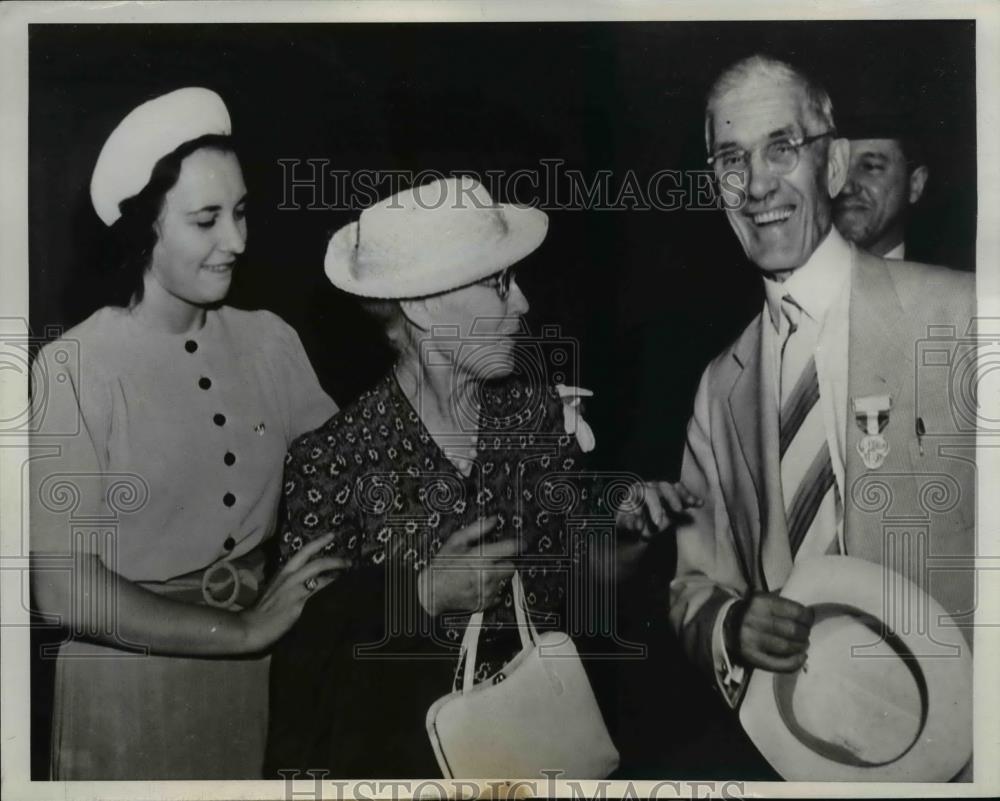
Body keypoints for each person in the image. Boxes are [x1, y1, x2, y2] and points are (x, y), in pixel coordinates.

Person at [265, 176, 698, 778]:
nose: (520, 302)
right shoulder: (334, 459)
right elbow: (305, 655)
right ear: (419, 304)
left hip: (538, 750)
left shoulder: (539, 419)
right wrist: (420, 596)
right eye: (498, 284)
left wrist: (631, 533)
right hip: (399, 765)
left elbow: (581, 587)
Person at [29, 87, 347, 779]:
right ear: (145, 228)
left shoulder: (271, 340)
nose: (236, 240)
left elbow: (358, 472)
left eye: (239, 213)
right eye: (206, 220)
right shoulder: (73, 366)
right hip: (126, 693)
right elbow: (60, 588)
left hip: (255, 686)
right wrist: (242, 629)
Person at [668, 55, 974, 734]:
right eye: (730, 160)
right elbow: (693, 582)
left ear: (832, 167)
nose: (755, 185)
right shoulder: (721, 386)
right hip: (807, 743)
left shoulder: (961, 316)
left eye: (782, 148)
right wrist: (730, 620)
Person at [833, 111, 929, 259]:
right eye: (836, 167)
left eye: (870, 166)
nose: (844, 187)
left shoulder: (950, 280)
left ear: (915, 184)